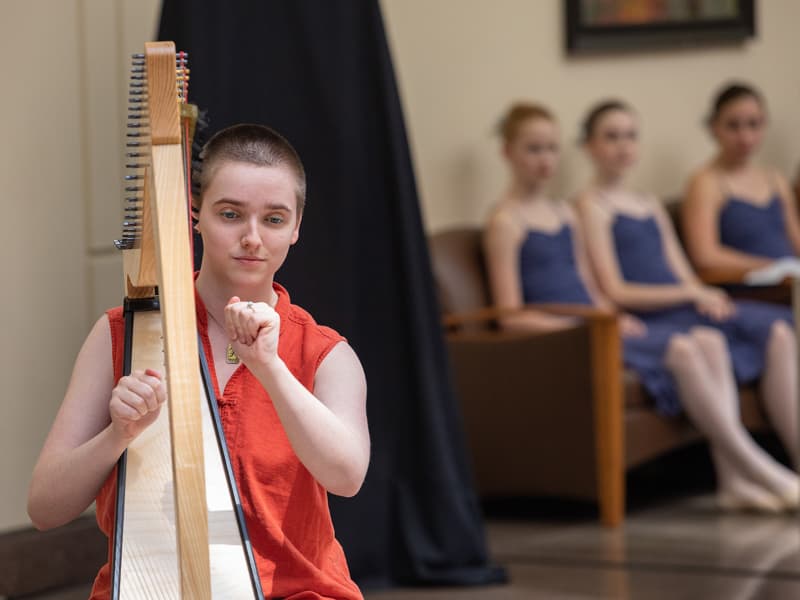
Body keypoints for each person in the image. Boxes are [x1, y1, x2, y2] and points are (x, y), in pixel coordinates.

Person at [27, 124, 370, 599]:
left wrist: (270, 367)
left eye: (273, 219)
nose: (252, 237)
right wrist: (118, 433)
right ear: (195, 214)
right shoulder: (120, 335)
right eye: (231, 214)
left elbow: (347, 477)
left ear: (296, 228)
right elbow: (45, 508)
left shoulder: (327, 353)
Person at [571, 100, 799, 511]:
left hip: (684, 306)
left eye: (630, 135)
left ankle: (749, 475)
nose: (623, 146)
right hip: (649, 316)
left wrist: (705, 293)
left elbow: (682, 270)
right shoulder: (588, 206)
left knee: (778, 329)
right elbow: (616, 290)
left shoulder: (650, 204)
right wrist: (691, 294)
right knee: (704, 342)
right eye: (611, 136)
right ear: (589, 146)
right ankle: (759, 469)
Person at [682, 83, 800, 283]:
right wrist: (774, 267)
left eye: (754, 124)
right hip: (755, 288)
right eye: (733, 126)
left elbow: (796, 241)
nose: (745, 137)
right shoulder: (706, 182)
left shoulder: (775, 179)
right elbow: (705, 256)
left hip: (792, 281)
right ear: (714, 127)